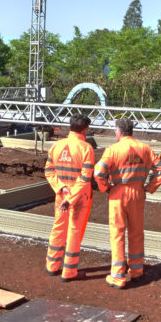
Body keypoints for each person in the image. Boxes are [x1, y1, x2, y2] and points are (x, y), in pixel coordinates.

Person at [93, 118, 161, 289]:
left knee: (117, 233)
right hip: (138, 193)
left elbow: (98, 172)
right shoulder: (145, 149)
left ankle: (118, 276)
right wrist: (149, 187)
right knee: (136, 233)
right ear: (131, 131)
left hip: (118, 194)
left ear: (118, 131)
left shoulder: (112, 150)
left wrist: (106, 188)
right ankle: (136, 271)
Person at [44, 114, 95, 282]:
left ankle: (51, 266)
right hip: (78, 197)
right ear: (85, 129)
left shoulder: (56, 146)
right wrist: (71, 198)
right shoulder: (86, 148)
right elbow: (85, 178)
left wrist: (62, 189)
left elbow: (49, 171)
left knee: (58, 228)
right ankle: (69, 272)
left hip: (61, 195)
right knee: (74, 231)